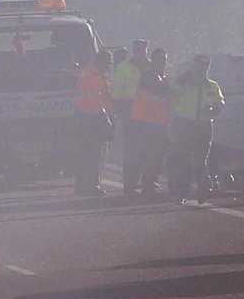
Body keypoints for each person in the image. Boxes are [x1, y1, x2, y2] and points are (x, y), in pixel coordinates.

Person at [168, 55, 226, 203]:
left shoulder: (212, 85)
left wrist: (214, 109)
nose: (201, 69)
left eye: (204, 67)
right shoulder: (184, 83)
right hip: (185, 124)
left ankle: (203, 189)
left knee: (201, 160)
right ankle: (182, 193)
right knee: (184, 160)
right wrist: (182, 79)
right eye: (198, 66)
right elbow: (171, 91)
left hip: (204, 125)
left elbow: (220, 103)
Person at [123, 47, 172, 198]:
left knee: (155, 157)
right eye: (158, 60)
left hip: (157, 124)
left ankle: (148, 185)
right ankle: (132, 187)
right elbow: (160, 91)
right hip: (142, 124)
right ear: (152, 61)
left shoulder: (162, 78)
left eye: (163, 60)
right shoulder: (148, 77)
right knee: (140, 156)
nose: (161, 63)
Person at [73, 50, 114, 195]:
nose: (108, 67)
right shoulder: (94, 77)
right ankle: (91, 185)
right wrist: (106, 117)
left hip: (85, 118)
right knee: (94, 154)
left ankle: (81, 186)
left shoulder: (89, 73)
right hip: (92, 119)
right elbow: (97, 102)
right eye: (107, 63)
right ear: (100, 61)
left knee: (86, 154)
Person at [111, 39, 149, 126]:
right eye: (138, 50)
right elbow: (117, 89)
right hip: (128, 107)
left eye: (143, 50)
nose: (140, 53)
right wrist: (118, 108)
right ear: (133, 51)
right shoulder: (123, 67)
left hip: (147, 109)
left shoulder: (151, 67)